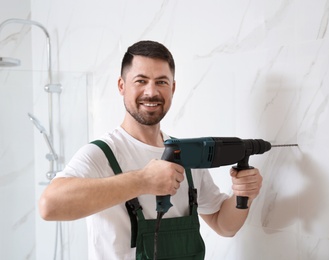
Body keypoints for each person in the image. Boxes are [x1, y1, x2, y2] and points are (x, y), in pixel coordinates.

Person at [39, 40, 263, 259]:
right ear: (121, 86)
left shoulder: (187, 153)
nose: (151, 92)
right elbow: (50, 206)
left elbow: (224, 225)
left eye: (162, 82)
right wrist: (142, 181)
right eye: (141, 80)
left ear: (173, 88)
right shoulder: (101, 154)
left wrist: (243, 196)